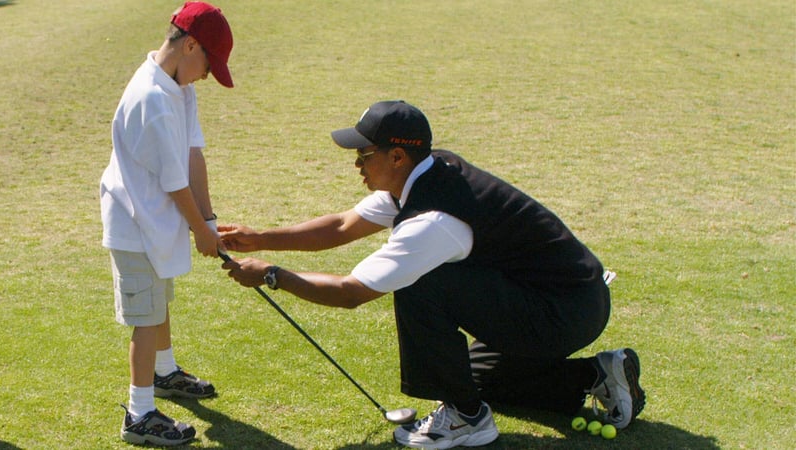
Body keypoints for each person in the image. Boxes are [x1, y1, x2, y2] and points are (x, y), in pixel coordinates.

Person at [219, 100, 645, 449]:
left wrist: (273, 274)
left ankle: (467, 419)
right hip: (563, 300)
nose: (356, 164)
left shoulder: (434, 220)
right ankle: (597, 374)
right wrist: (257, 238)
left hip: (563, 313)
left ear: (397, 156)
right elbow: (342, 226)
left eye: (363, 155)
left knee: (423, 281)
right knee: (475, 375)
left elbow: (352, 292)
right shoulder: (424, 174)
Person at [99, 2, 234, 446]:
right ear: (189, 44)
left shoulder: (180, 88)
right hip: (135, 222)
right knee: (146, 315)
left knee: (160, 302)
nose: (208, 75)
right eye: (208, 64)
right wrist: (201, 232)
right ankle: (139, 415)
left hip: (158, 219)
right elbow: (176, 184)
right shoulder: (151, 98)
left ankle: (164, 372)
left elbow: (194, 155)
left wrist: (209, 220)